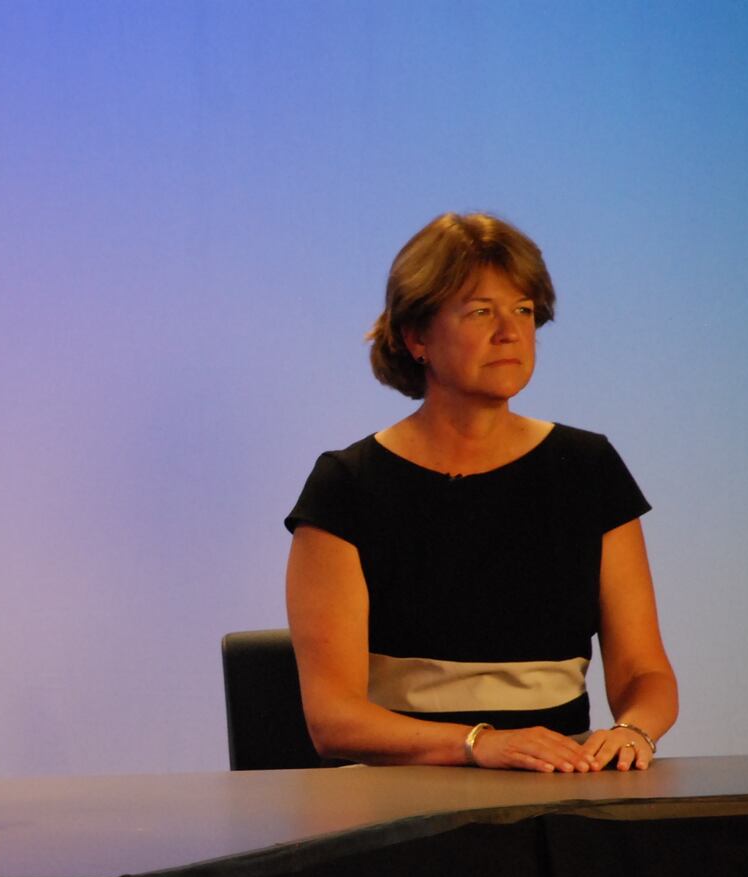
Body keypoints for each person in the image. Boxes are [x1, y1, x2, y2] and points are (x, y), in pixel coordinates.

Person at [283, 212, 678, 774]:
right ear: (416, 336)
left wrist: (634, 729)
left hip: (561, 786)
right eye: (480, 312)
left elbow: (645, 673)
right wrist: (478, 744)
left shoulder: (588, 468)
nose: (510, 332)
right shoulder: (347, 486)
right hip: (402, 804)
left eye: (523, 311)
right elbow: (333, 719)